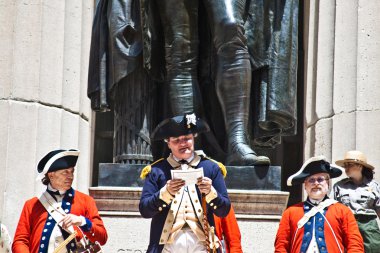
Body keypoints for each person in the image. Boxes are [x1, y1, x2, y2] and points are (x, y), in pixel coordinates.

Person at [139, 113, 231, 252]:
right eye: (176, 140)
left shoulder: (211, 168)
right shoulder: (156, 170)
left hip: (202, 244)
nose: (182, 144)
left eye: (187, 138)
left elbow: (224, 210)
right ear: (168, 142)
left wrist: (211, 192)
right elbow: (145, 210)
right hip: (167, 245)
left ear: (194, 138)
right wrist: (165, 193)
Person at [12, 149, 108, 253]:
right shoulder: (32, 205)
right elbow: (20, 241)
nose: (70, 176)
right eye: (65, 172)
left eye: (72, 171)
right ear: (51, 175)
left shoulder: (86, 201)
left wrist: (82, 221)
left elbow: (102, 238)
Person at [275, 156, 364, 252]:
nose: (316, 183)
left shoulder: (342, 211)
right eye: (311, 180)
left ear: (328, 183)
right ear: (305, 185)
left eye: (320, 179)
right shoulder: (290, 212)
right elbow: (281, 245)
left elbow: (355, 244)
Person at [333, 150, 380, 253]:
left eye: (349, 164)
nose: (346, 168)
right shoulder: (339, 186)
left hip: (369, 226)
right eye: (345, 165)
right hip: (347, 224)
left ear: (360, 166)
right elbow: (334, 211)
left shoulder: (374, 186)